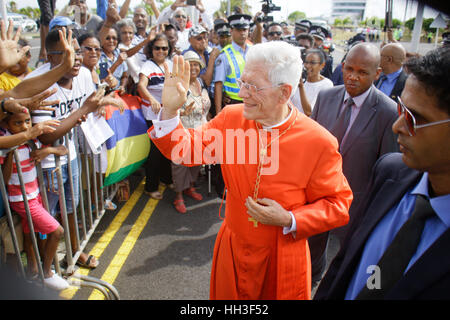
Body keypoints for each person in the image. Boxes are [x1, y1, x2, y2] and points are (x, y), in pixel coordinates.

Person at [148, 41, 352, 299]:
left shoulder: (318, 141)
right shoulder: (231, 118)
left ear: (284, 92)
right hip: (233, 246)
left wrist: (290, 219)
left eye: (252, 86)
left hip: (282, 254)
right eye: (243, 82)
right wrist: (169, 110)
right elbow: (185, 151)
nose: (242, 93)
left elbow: (338, 205)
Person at [315, 47, 450, 300]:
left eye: (414, 118)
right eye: (402, 111)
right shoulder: (391, 173)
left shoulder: (383, 115)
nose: (398, 126)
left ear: (377, 74)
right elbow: (344, 266)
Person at [310, 42, 399, 289]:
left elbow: (388, 168)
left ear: (377, 74)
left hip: (356, 204)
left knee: (347, 264)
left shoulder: (388, 112)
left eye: (362, 72)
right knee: (310, 257)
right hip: (316, 195)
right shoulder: (326, 97)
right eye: (349, 68)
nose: (352, 76)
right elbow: (311, 146)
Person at [26, 28, 113, 269]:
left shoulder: (83, 74)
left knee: (71, 207)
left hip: (70, 155)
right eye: (67, 54)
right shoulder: (39, 83)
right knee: (47, 219)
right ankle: (45, 268)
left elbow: (87, 106)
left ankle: (74, 252)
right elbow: (47, 135)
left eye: (77, 52)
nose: (75, 59)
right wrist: (83, 109)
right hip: (45, 164)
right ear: (51, 57)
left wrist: (102, 102)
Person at [0, 111, 69, 290]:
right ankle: (46, 274)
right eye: (18, 123)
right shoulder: (7, 145)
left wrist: (48, 150)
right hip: (21, 198)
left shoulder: (32, 140)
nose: (25, 126)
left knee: (30, 232)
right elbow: (5, 179)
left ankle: (33, 269)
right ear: (7, 126)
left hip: (35, 194)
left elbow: (63, 149)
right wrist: (10, 153)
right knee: (57, 231)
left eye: (27, 121)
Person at [171, 51, 210, 213]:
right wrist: (181, 113)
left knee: (196, 161)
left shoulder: (201, 83)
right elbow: (168, 109)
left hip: (200, 129)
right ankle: (178, 195)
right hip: (182, 129)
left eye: (196, 64)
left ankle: (190, 187)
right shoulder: (177, 84)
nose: (193, 68)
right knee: (180, 163)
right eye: (190, 64)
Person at [137, 34, 174, 200]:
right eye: (157, 48)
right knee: (155, 152)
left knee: (167, 148)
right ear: (151, 50)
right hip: (153, 115)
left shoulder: (171, 64)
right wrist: (152, 99)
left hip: (168, 114)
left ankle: (166, 179)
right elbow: (141, 86)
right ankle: (151, 187)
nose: (161, 51)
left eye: (164, 48)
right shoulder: (147, 66)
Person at [213, 14, 252, 115]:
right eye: (239, 30)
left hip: (252, 102)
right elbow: (218, 84)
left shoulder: (254, 51)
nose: (242, 33)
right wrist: (218, 113)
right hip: (233, 103)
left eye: (245, 29)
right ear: (231, 31)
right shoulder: (224, 55)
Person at [291, 49, 333, 116]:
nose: (307, 66)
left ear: (322, 65)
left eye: (312, 63)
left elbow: (309, 112)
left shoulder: (326, 85)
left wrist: (301, 87)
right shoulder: (298, 78)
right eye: (306, 62)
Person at [99, 28, 128, 93]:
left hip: (117, 94)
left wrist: (122, 86)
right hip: (103, 93)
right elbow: (103, 79)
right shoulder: (98, 56)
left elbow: (125, 76)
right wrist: (117, 63)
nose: (111, 41)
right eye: (107, 38)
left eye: (114, 38)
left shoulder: (118, 53)